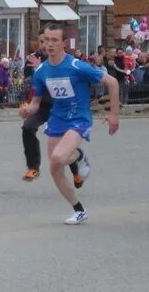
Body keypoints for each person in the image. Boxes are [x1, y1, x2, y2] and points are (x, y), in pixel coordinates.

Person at [20, 23, 119, 225]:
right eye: (46, 40)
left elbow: (113, 83)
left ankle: (80, 156)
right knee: (55, 167)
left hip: (79, 118)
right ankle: (78, 209)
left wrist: (114, 115)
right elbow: (36, 104)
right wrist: (27, 110)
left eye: (54, 40)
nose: (49, 44)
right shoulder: (41, 71)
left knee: (58, 156)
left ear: (64, 43)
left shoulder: (77, 66)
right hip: (57, 118)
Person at [20, 33, 81, 184]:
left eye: (49, 41)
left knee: (63, 141)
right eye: (42, 41)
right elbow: (28, 82)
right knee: (27, 127)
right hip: (41, 105)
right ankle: (33, 167)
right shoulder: (32, 59)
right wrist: (25, 103)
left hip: (60, 106)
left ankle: (76, 171)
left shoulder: (60, 59)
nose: (45, 45)